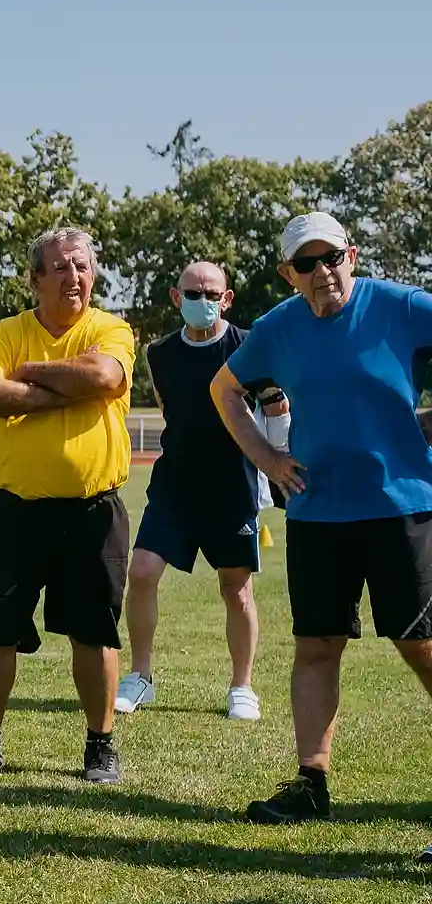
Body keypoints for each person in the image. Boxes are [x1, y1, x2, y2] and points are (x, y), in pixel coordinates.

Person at [211, 212, 432, 848]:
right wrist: (268, 460)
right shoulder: (279, 328)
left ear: (352, 256)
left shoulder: (401, 306)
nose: (321, 272)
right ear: (289, 274)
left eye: (330, 257)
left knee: (421, 645)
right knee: (316, 647)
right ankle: (311, 783)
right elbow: (225, 391)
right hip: (317, 513)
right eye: (305, 264)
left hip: (402, 508)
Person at [0, 227, 135, 786]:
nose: (73, 277)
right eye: (59, 268)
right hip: (12, 511)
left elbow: (105, 375)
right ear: (35, 280)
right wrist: (65, 390)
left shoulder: (110, 328)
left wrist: (26, 378)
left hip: (92, 511)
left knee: (95, 632)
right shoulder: (7, 333)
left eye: (81, 266)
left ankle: (100, 746)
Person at [116, 260, 289, 721]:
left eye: (212, 294)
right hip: (175, 484)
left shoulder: (249, 345)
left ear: (227, 299)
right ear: (177, 298)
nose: (203, 302)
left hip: (233, 486)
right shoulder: (159, 353)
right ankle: (141, 676)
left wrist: (275, 461)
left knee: (236, 589)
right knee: (143, 571)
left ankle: (242, 686)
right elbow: (172, 409)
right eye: (193, 293)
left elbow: (276, 408)